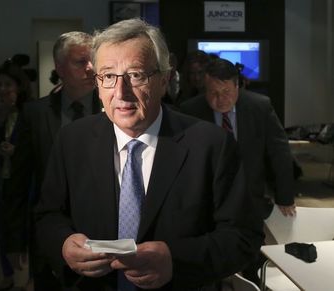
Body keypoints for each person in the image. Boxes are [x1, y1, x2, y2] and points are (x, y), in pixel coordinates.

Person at [34, 19, 263, 291]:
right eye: (108, 76)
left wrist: (176, 261)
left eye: (136, 75)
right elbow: (47, 217)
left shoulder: (211, 145)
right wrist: (63, 244)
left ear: (164, 79)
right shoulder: (72, 140)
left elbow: (243, 237)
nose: (121, 92)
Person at [180, 57, 297, 285]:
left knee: (250, 251)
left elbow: (279, 152)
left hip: (249, 195)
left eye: (226, 92)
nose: (220, 99)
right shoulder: (189, 110)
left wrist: (285, 195)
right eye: (213, 92)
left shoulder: (259, 106)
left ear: (237, 86)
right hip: (207, 197)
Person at [3, 31, 100, 290]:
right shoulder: (35, 114)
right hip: (51, 233)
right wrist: (14, 240)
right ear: (59, 67)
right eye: (81, 62)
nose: (91, 68)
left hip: (105, 233)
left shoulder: (114, 108)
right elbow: (18, 181)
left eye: (93, 60)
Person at [0, 59, 31, 291]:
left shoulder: (30, 110)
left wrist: (17, 151)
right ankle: (8, 274)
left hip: (24, 180)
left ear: (19, 86)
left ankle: (26, 275)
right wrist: (1, 114)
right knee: (2, 226)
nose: (2, 90)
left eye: (8, 85)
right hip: (0, 178)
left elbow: (35, 145)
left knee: (21, 226)